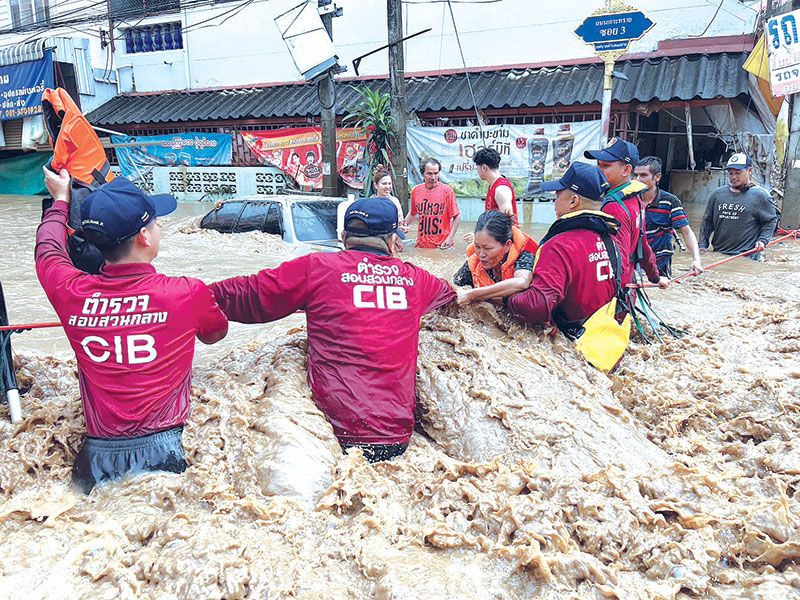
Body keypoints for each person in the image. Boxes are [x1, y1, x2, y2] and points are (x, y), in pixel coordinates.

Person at [209, 198, 456, 463]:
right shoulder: (416, 279)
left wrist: (186, 297)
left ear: (342, 236)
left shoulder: (316, 268)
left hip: (328, 435)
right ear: (393, 240)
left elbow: (245, 296)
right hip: (396, 437)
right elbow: (450, 295)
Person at [36, 169, 229, 494]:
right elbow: (215, 333)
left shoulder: (72, 293)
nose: (160, 226)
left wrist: (60, 201)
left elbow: (48, 251)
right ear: (144, 237)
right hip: (166, 452)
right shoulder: (185, 292)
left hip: (95, 459)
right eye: (156, 222)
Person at [506, 162, 621, 331]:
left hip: (574, 338)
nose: (555, 201)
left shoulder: (559, 246)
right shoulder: (612, 240)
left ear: (573, 201)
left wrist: (507, 296)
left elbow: (536, 306)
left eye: (558, 195)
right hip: (606, 334)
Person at [584, 138, 668, 290]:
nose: (598, 170)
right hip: (627, 286)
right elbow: (643, 245)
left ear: (626, 170)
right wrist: (655, 276)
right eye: (598, 165)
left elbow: (617, 258)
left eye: (606, 166)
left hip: (615, 292)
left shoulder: (613, 207)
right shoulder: (635, 199)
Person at [699, 153, 779, 259]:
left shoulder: (760, 195)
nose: (734, 177)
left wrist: (762, 240)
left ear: (750, 171)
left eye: (738, 173)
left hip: (747, 255)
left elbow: (770, 221)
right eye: (730, 173)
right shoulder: (717, 194)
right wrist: (702, 245)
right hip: (719, 254)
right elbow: (707, 222)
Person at [634, 156, 703, 277]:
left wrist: (696, 260)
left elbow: (686, 232)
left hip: (660, 262)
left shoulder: (669, 202)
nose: (638, 180)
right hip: (635, 262)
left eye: (644, 175)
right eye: (636, 175)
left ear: (657, 177)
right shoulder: (630, 200)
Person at [453, 211, 538, 305]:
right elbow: (456, 289)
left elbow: (522, 282)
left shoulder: (525, 256)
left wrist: (472, 294)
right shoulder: (474, 263)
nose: (481, 254)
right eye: (477, 246)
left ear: (507, 245)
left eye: (487, 248)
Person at [404, 158, 461, 249]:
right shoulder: (416, 190)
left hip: (442, 245)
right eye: (429, 173)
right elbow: (412, 213)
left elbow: (457, 216)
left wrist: (449, 238)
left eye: (436, 173)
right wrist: (403, 226)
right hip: (422, 244)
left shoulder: (447, 191)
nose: (433, 177)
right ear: (423, 174)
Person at [473, 147, 518, 225]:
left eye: (477, 167)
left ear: (484, 168)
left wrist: (481, 235)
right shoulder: (492, 185)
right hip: (493, 235)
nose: (477, 170)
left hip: (505, 236)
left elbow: (507, 224)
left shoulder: (501, 189)